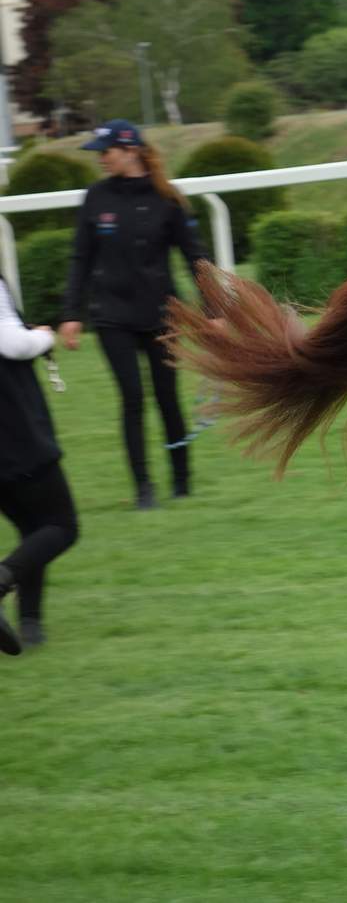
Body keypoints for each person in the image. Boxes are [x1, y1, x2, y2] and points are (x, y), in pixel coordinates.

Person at [57, 119, 211, 508]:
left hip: (162, 315)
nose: (100, 159)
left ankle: (181, 481)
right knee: (132, 397)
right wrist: (71, 314)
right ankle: (144, 489)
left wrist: (213, 311)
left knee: (167, 398)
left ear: (130, 151)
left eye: (105, 152)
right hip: (111, 316)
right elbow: (80, 259)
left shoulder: (168, 199)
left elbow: (196, 258)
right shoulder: (95, 197)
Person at [0, 276, 78, 653]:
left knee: (33, 528)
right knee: (61, 525)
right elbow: (11, 343)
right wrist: (43, 338)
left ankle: (31, 624)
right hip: (12, 427)